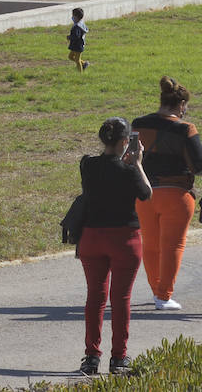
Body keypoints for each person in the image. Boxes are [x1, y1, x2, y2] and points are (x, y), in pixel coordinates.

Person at [76, 117, 152, 377]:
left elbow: (101, 168)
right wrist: (138, 164)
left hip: (91, 238)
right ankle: (118, 357)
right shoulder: (130, 170)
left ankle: (91, 356)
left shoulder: (87, 164)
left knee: (94, 298)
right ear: (124, 141)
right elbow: (146, 193)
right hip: (124, 238)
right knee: (121, 299)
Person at [131, 77, 202, 311]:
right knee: (173, 245)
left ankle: (157, 291)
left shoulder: (138, 124)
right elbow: (200, 168)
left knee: (151, 245)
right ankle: (164, 296)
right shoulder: (187, 129)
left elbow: (132, 156)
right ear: (181, 105)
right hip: (177, 194)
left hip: (145, 193)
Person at [68, 7, 90, 71]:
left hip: (78, 45)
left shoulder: (77, 27)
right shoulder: (80, 23)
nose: (72, 17)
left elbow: (76, 37)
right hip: (75, 45)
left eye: (73, 16)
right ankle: (84, 63)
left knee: (77, 60)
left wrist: (69, 37)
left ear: (76, 17)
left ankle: (80, 73)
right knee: (70, 57)